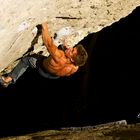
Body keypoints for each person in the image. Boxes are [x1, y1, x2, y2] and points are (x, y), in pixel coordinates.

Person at [0, 22, 88, 88]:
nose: (70, 48)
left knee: (26, 60)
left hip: (41, 67)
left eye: (72, 51)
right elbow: (65, 64)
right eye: (73, 48)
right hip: (53, 76)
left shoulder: (59, 56)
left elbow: (48, 43)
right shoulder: (75, 68)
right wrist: (65, 49)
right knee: (61, 49)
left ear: (72, 59)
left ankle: (7, 80)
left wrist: (44, 27)